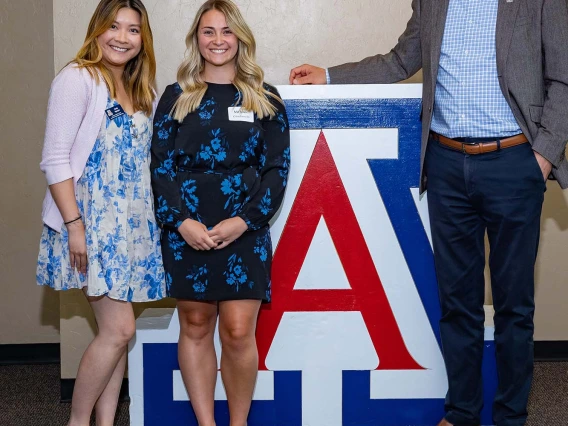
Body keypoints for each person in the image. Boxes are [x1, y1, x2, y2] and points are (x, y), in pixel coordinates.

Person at [290, 1, 568, 425]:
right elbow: (401, 60)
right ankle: (461, 413)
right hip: (447, 167)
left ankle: (512, 417)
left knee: (515, 308)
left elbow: (563, 79)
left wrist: (543, 156)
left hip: (514, 164)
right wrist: (329, 75)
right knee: (459, 306)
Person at [150, 1, 290, 424]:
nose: (218, 40)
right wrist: (181, 222)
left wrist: (242, 222)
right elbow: (159, 166)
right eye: (208, 32)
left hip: (243, 228)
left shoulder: (264, 97)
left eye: (226, 32)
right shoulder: (175, 97)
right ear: (197, 39)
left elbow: (276, 169)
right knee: (194, 324)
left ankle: (238, 421)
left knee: (236, 330)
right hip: (186, 229)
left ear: (240, 38)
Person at [36, 0, 165, 424]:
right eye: (114, 26)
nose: (122, 37)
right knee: (120, 330)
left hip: (129, 227)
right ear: (97, 29)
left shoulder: (138, 88)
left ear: (141, 40)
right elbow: (55, 159)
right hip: (91, 224)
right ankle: (78, 421)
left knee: (117, 335)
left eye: (132, 30)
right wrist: (75, 226)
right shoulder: (78, 78)